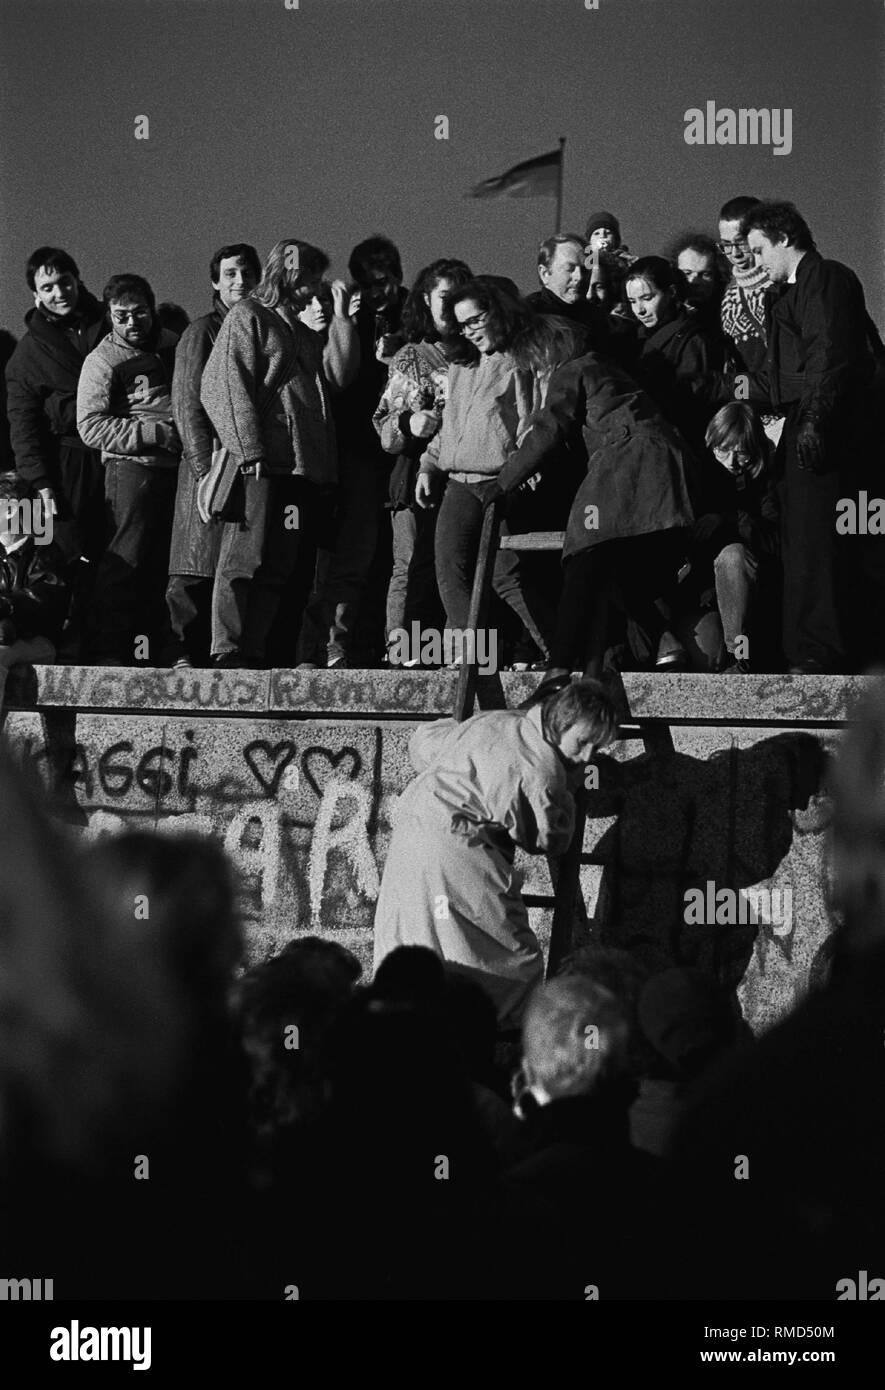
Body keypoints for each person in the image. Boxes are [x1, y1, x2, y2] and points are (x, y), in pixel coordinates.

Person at [373, 678, 618, 1027]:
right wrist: (570, 789)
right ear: (560, 723)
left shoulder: (495, 721)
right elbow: (548, 839)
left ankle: (417, 1029)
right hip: (456, 849)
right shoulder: (542, 771)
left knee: (418, 940)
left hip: (413, 833)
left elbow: (423, 743)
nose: (587, 757)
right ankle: (492, 1036)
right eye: (582, 743)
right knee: (509, 962)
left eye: (597, 748)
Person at [485, 347, 697, 680]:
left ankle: (560, 668)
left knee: (585, 559)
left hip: (627, 472)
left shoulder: (574, 368)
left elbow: (548, 429)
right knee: (609, 568)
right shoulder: (612, 372)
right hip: (660, 479)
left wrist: (504, 481)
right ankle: (647, 650)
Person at [199, 238, 360, 669]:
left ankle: (257, 647)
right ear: (291, 272)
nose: (316, 285)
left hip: (300, 468)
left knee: (281, 563)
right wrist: (248, 446)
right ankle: (227, 648)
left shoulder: (304, 333)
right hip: (262, 463)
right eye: (310, 275)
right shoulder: (248, 317)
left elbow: (338, 379)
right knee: (244, 557)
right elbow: (224, 385)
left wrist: (340, 320)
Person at [742, 200, 885, 672]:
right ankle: (814, 647)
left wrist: (814, 421)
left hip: (829, 427)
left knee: (818, 541)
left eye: (760, 249)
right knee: (807, 538)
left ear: (783, 238)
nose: (755, 261)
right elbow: (783, 374)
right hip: (808, 422)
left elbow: (830, 351)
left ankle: (819, 651)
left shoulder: (825, 279)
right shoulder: (787, 294)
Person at [416, 276, 580, 664]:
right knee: (450, 570)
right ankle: (470, 658)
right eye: (462, 324)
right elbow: (449, 424)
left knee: (506, 575)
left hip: (499, 480)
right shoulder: (460, 363)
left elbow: (532, 421)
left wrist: (525, 467)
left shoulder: (517, 362)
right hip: (457, 480)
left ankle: (559, 654)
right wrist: (427, 464)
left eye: (476, 320)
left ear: (497, 312)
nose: (470, 331)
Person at [298, 234, 407, 669]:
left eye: (384, 281)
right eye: (366, 282)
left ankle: (397, 648)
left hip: (403, 455)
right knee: (350, 555)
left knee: (399, 561)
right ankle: (334, 646)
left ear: (398, 277)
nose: (377, 292)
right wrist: (343, 319)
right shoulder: (345, 315)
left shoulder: (413, 315)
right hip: (355, 452)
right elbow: (338, 378)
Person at [4, 247, 108, 654]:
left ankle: (118, 644)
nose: (58, 292)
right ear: (35, 295)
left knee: (120, 556)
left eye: (64, 282)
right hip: (60, 469)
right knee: (54, 557)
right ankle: (63, 643)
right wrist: (41, 486)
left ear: (78, 280)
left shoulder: (111, 325)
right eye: (46, 287)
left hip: (118, 456)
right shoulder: (25, 356)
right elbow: (24, 430)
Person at [76, 272, 182, 665]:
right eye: (122, 316)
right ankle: (110, 651)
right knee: (126, 561)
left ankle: (156, 649)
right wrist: (151, 432)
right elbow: (89, 426)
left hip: (179, 469)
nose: (132, 323)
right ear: (109, 316)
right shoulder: (102, 360)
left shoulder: (174, 344)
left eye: (140, 313)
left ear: (152, 310)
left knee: (165, 564)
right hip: (131, 470)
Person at [372, 257, 472, 666]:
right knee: (410, 563)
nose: (449, 310)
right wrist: (410, 421)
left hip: (465, 475)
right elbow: (383, 427)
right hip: (414, 474)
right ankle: (403, 655)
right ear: (426, 302)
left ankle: (454, 652)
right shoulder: (412, 356)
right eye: (442, 299)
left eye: (458, 299)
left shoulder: (478, 356)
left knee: (458, 564)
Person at [167, 243, 261, 667]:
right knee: (193, 565)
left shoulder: (261, 327)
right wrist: (205, 470)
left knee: (233, 564)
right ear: (215, 282)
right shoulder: (201, 331)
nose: (239, 281)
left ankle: (224, 652)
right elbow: (186, 404)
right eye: (230, 274)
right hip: (208, 463)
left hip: (245, 464)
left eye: (246, 273)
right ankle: (180, 650)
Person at [687, 403, 780, 673]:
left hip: (757, 595)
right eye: (722, 451)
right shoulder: (698, 471)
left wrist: (728, 520)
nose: (731, 462)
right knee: (705, 656)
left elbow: (776, 539)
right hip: (705, 596)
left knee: (733, 556)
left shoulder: (771, 479)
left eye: (741, 454)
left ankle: (739, 657)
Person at [624, 255, 725, 456]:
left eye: (647, 298)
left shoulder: (692, 340)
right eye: (632, 301)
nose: (640, 310)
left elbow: (694, 406)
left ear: (670, 292)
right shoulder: (633, 338)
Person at [0, 469, 75, 668]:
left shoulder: (44, 552)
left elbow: (44, 600)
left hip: (37, 641)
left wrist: (6, 605)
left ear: (10, 509)